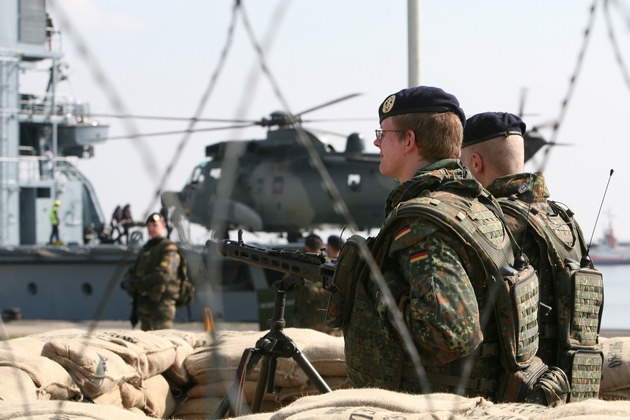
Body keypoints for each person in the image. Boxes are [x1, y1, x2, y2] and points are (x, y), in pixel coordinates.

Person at [339, 86, 558, 403]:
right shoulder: (477, 205)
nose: (375, 142)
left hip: (430, 405)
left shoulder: (425, 222)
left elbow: (449, 337)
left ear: (409, 141)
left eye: (383, 133)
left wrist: (377, 287)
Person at [460, 111, 604, 401]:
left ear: (476, 163)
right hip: (571, 391)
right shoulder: (565, 222)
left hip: (513, 399)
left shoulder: (490, 221)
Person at [121, 212, 181, 331]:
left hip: (161, 308)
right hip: (145, 307)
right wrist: (128, 282)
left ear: (163, 225)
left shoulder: (168, 248)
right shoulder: (147, 248)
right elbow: (135, 269)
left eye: (155, 225)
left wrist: (138, 283)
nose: (151, 228)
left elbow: (163, 275)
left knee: (163, 343)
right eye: (149, 226)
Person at [292, 233, 337, 334]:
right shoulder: (331, 265)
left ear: (306, 248)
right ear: (322, 247)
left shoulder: (300, 265)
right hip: (330, 326)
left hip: (308, 328)